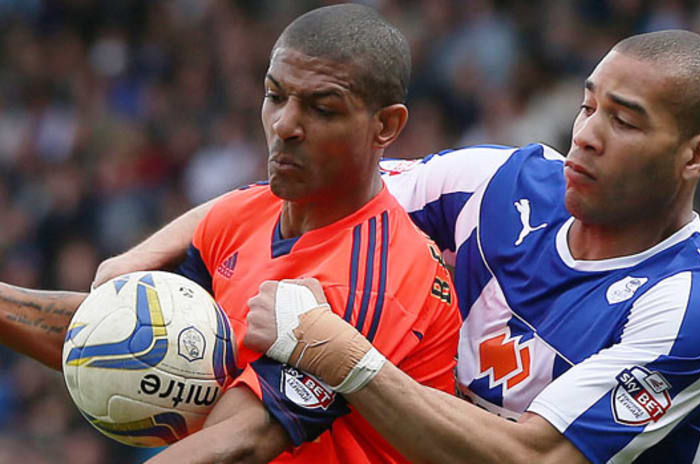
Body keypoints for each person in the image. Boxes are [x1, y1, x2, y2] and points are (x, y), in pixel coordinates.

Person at [241, 29, 700, 463]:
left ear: (697, 156)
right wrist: (156, 264)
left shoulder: (696, 304)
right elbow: (301, 199)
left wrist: (340, 354)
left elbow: (534, 455)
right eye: (587, 106)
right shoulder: (502, 184)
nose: (585, 136)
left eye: (623, 121)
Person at [0, 4, 461, 464]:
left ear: (386, 125)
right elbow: (112, 329)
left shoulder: (377, 275)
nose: (284, 125)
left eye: (321, 108)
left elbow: (239, 442)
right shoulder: (241, 213)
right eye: (275, 96)